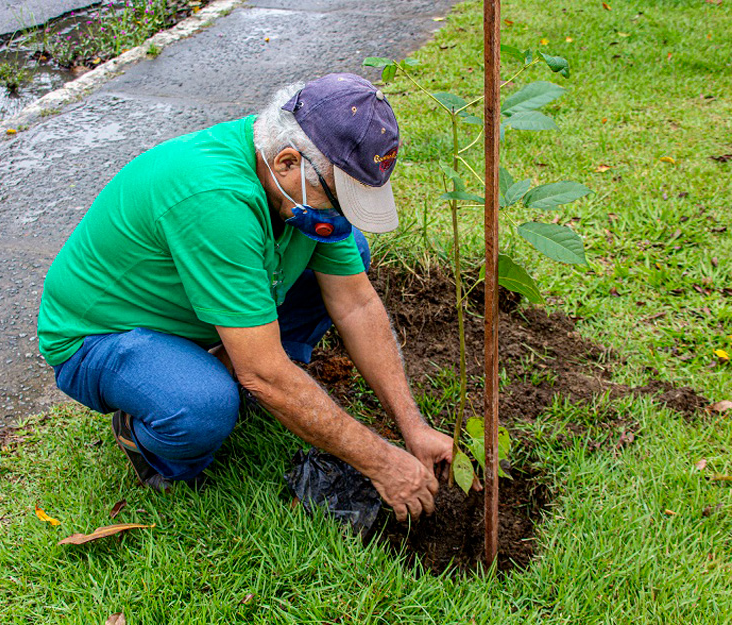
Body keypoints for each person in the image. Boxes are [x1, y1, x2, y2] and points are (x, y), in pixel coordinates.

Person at [37, 73, 452, 521]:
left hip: (192, 310)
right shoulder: (216, 200)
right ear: (289, 162)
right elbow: (264, 374)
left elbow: (356, 304)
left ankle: (247, 367)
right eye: (338, 196)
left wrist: (413, 428)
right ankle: (152, 442)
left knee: (349, 255)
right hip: (104, 336)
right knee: (205, 405)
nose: (341, 212)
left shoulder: (292, 176)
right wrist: (383, 463)